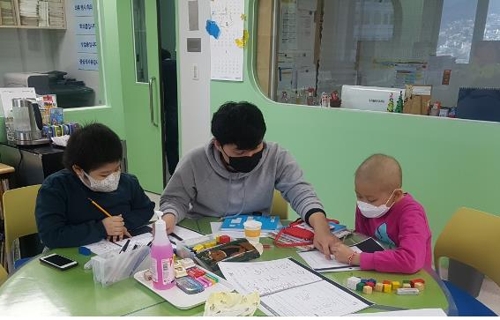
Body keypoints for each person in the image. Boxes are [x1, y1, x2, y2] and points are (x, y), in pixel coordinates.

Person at [159, 101, 340, 257]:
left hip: (256, 236)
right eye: (240, 152)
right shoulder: (195, 161)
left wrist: (321, 229)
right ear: (218, 144)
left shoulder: (276, 156)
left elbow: (300, 192)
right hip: (205, 237)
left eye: (256, 148)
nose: (251, 155)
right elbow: (175, 199)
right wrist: (168, 218)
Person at [35, 123, 155, 249]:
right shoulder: (56, 188)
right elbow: (51, 236)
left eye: (117, 169)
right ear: (78, 169)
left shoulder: (128, 182)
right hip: (71, 253)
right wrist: (101, 228)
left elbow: (146, 209)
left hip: (117, 250)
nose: (113, 177)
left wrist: (121, 224)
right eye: (104, 174)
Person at [332, 154, 432, 274]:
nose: (364, 204)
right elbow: (362, 241)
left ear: (396, 195)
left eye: (372, 200)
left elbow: (410, 260)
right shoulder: (364, 206)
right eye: (359, 196)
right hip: (379, 272)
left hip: (413, 280)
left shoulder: (412, 214)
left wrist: (354, 258)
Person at [161, 48, 179, 175]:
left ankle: (173, 172)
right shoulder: (177, 64)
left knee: (171, 144)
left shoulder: (160, 67)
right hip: (180, 107)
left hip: (171, 109)